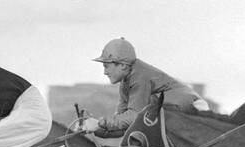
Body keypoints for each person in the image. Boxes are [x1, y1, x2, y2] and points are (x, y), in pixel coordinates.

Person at [73, 37, 208, 138]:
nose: (104, 72)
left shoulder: (139, 76)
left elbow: (133, 117)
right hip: (172, 114)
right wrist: (94, 129)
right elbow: (123, 124)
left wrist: (100, 123)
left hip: (191, 111)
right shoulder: (126, 81)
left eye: (106, 66)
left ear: (122, 65)